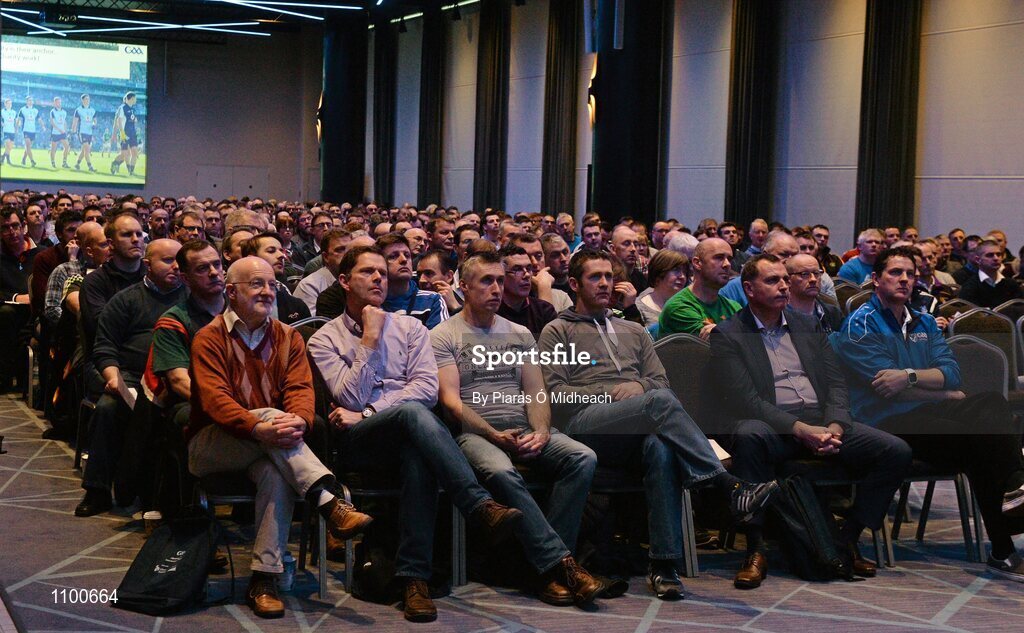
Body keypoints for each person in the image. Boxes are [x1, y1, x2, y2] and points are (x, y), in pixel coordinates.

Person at [538, 249, 778, 600]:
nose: (605, 283)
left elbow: (660, 383)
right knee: (657, 404)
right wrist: (615, 393)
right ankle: (726, 486)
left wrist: (638, 388)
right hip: (586, 427)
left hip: (637, 428)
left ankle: (663, 566)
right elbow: (557, 395)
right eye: (595, 277)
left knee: (661, 447)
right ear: (574, 284)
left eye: (609, 275)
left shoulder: (632, 329)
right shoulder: (556, 330)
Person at [307, 245, 525, 622]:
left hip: (403, 433)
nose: (379, 278)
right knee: (411, 415)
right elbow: (348, 396)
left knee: (418, 452)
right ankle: (477, 504)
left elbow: (425, 389)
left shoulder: (411, 328)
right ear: (343, 280)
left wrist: (371, 410)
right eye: (368, 272)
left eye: (382, 272)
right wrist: (370, 340)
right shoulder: (323, 339)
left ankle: (413, 581)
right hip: (360, 445)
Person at [187, 256, 372, 619]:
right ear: (231, 293)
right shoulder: (209, 338)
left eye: (272, 284)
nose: (268, 291)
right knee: (271, 416)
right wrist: (261, 425)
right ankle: (326, 499)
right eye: (256, 284)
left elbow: (302, 390)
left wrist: (300, 422)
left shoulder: (288, 337)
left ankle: (264, 578)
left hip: (272, 449)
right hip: (212, 445)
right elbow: (215, 401)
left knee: (276, 473)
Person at [711, 254, 911, 588]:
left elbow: (836, 382)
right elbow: (748, 401)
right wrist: (801, 431)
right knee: (748, 435)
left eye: (784, 280)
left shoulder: (806, 325)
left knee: (895, 451)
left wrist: (834, 425)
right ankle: (756, 547)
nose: (783, 286)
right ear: (749, 289)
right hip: (774, 426)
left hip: (819, 422)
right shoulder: (729, 333)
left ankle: (846, 538)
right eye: (772, 280)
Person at [831, 246, 1024, 581]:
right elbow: (885, 388)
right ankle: (1005, 535)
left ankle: (1015, 489)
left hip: (927, 410)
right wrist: (938, 388)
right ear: (875, 279)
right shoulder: (860, 325)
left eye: (910, 274)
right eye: (895, 273)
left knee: (991, 403)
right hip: (885, 420)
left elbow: (952, 372)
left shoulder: (922, 320)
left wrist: (909, 377)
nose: (905, 279)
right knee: (979, 443)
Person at [430, 250, 603, 607]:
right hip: (475, 433)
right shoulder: (444, 334)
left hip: (524, 426)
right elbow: (450, 402)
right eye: (486, 281)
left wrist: (540, 430)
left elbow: (536, 391)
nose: (496, 288)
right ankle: (561, 567)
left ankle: (547, 568)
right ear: (463, 288)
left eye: (499, 280)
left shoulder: (520, 333)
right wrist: (494, 435)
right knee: (501, 471)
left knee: (582, 457)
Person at [75, 239, 189, 517]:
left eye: (180, 262)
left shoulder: (191, 298)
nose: (175, 267)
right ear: (148, 265)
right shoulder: (126, 299)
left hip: (176, 377)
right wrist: (113, 376)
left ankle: (167, 496)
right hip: (131, 376)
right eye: (167, 260)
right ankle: (98, 490)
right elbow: (105, 346)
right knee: (107, 408)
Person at [143, 241, 225, 421]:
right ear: (185, 279)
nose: (213, 272)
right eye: (202, 268)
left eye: (216, 264)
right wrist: (227, 406)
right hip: (192, 402)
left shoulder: (240, 311)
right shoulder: (173, 322)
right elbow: (179, 382)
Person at [660, 238, 739, 339]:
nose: (727, 264)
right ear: (697, 263)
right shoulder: (678, 307)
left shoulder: (734, 306)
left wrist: (721, 331)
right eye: (719, 257)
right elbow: (720, 346)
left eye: (730, 259)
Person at [0, 208, 41, 391]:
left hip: (36, 310)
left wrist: (33, 297)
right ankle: (6, 376)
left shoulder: (40, 254)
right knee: (6, 314)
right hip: (8, 311)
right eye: (5, 227)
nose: (11, 232)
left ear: (24, 226)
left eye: (15, 225)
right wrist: (16, 297)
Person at [378, 233, 449, 329]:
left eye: (407, 255)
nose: (403, 260)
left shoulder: (432, 300)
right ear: (380, 264)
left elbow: (440, 343)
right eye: (393, 256)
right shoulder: (373, 302)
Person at [240, 233, 310, 324]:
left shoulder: (296, 305)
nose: (282, 255)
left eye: (281, 250)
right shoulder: (233, 300)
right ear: (251, 258)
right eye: (271, 251)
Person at [497, 245, 558, 338]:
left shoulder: (544, 310)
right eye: (517, 269)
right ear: (501, 276)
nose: (526, 275)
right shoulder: (492, 312)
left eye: (529, 268)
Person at [293, 229, 350, 315]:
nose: (347, 254)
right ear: (326, 257)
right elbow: (314, 324)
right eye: (339, 250)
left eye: (350, 249)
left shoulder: (358, 281)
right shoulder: (309, 285)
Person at [785, 253, 843, 333]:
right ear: (788, 279)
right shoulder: (777, 316)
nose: (813, 279)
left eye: (816, 273)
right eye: (804, 274)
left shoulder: (833, 313)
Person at [958, 238, 1023, 308]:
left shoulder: (1011, 284)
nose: (996, 258)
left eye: (998, 254)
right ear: (978, 260)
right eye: (990, 255)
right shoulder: (969, 287)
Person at [636, 249, 688, 327]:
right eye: (676, 270)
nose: (682, 276)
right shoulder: (639, 307)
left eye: (684, 272)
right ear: (659, 272)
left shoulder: (689, 304)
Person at [416, 249, 462, 314]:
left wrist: (455, 307)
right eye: (419, 275)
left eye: (428, 273)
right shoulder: (413, 303)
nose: (421, 280)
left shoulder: (468, 306)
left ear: (449, 276)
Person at [609, 225, 648, 292]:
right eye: (626, 244)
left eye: (636, 244)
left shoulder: (640, 278)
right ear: (613, 249)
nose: (633, 249)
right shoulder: (607, 276)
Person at [111, 92, 140, 176]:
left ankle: (131, 171)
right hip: (125, 133)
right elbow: (119, 121)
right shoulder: (122, 107)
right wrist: (121, 133)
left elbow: (133, 119)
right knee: (124, 154)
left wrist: (135, 119)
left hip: (133, 133)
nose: (136, 100)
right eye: (135, 98)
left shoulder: (133, 109)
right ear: (131, 98)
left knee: (134, 152)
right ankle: (115, 164)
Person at [71, 94, 97, 172]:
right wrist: (73, 131)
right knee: (87, 149)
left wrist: (94, 124)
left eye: (88, 99)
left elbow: (95, 120)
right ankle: (90, 166)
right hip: (82, 132)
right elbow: (75, 121)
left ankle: (77, 164)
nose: (87, 100)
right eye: (85, 99)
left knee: (83, 150)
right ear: (82, 100)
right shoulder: (78, 110)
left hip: (90, 132)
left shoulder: (93, 110)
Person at [16, 96, 42, 167]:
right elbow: (18, 119)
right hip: (26, 130)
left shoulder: (35, 110)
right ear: (26, 101)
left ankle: (23, 159)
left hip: (33, 131)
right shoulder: (23, 109)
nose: (30, 102)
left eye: (31, 100)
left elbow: (39, 119)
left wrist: (43, 126)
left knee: (28, 147)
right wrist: (17, 127)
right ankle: (32, 161)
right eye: (29, 100)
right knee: (28, 146)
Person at [48, 96, 70, 169]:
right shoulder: (52, 112)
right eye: (57, 102)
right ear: (54, 103)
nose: (59, 103)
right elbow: (52, 123)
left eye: (60, 102)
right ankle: (53, 162)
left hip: (63, 133)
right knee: (53, 148)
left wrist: (65, 130)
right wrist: (59, 129)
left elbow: (64, 122)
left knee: (67, 146)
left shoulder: (64, 112)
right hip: (55, 133)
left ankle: (64, 162)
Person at [1, 98, 16, 165]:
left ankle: (3, 156)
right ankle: (8, 159)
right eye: (8, 103)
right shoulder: (2, 111)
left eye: (10, 103)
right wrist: (1, 123)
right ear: (5, 104)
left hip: (12, 131)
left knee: (10, 147)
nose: (10, 105)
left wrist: (18, 124)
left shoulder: (14, 112)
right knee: (8, 144)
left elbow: (16, 120)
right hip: (6, 131)